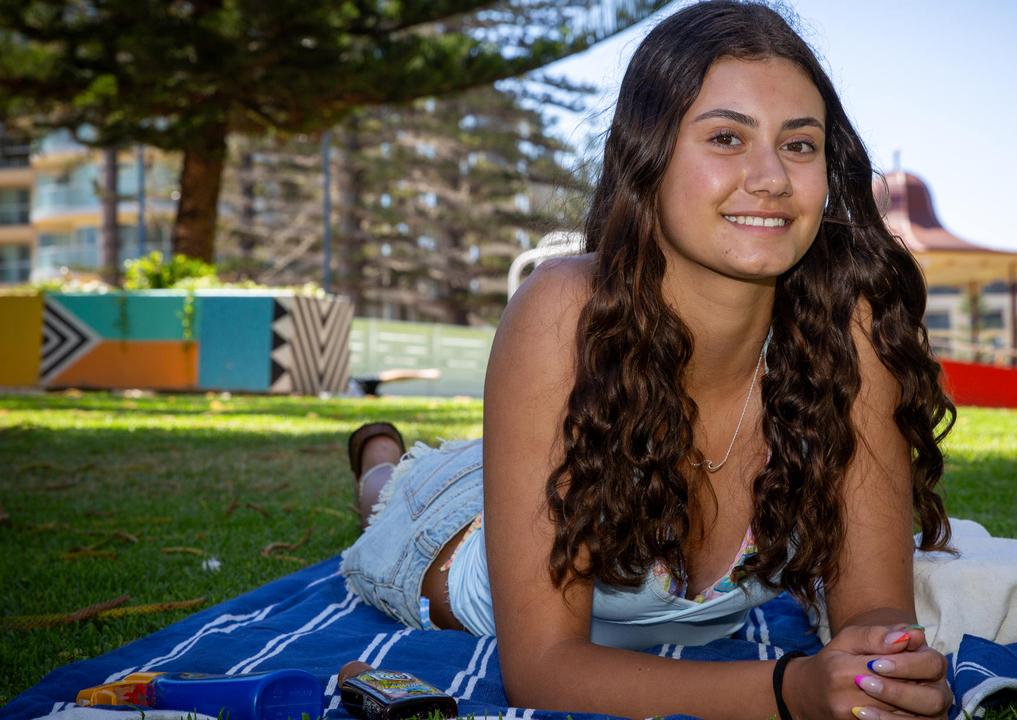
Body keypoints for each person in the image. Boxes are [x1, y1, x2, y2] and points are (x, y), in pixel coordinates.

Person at [340, 2, 955, 718]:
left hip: (557, 465)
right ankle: (377, 454)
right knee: (387, 492)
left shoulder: (847, 336)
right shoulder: (563, 311)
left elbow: (874, 617)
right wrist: (792, 692)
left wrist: (881, 673)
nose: (772, 177)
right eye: (727, 137)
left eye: (800, 144)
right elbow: (540, 670)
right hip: (447, 536)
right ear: (649, 155)